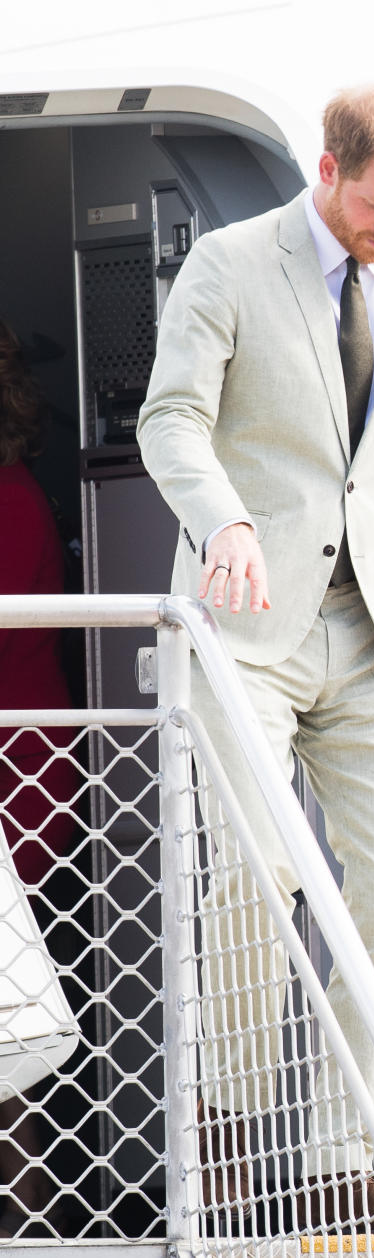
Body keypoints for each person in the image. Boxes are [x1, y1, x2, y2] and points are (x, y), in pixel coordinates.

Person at [137, 84, 374, 1230]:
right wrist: (220, 519)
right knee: (253, 869)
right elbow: (170, 418)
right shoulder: (228, 264)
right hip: (250, 623)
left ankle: (340, 1143)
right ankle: (228, 1127)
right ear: (327, 170)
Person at [0, 319, 79, 1237]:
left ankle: (23, 1208)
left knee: (14, 1007)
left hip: (18, 775)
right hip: (32, 767)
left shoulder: (12, 500)